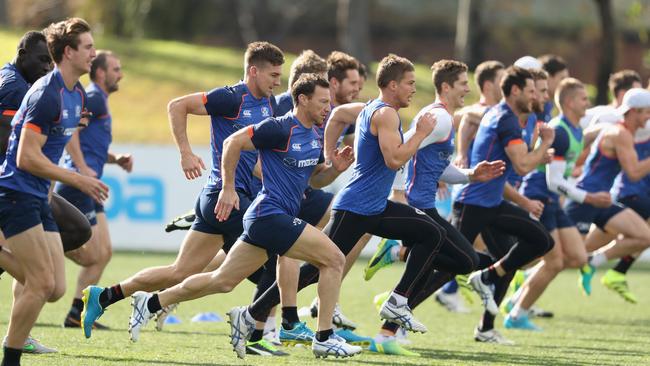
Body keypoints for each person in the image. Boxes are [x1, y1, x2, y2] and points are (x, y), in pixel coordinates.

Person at [126, 74, 360, 359]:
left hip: (270, 219)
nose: (329, 108)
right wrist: (227, 187)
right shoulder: (279, 127)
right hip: (268, 215)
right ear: (303, 99)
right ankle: (323, 337)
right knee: (334, 259)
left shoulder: (314, 134)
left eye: (330, 103)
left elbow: (315, 181)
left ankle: (150, 303)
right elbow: (232, 143)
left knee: (222, 281)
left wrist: (335, 169)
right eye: (323, 102)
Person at [80, 42, 285, 352]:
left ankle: (105, 296)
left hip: (223, 200)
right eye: (273, 75)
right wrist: (186, 153)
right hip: (227, 198)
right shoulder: (231, 97)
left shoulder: (268, 105)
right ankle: (256, 335)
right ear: (253, 71)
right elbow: (177, 105)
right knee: (274, 265)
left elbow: (254, 162)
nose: (277, 82)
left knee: (180, 271)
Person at [363, 59, 505, 356]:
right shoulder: (438, 118)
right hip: (416, 205)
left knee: (452, 263)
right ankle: (394, 295)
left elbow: (435, 166)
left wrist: (469, 175)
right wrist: (400, 195)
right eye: (463, 84)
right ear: (446, 87)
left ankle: (389, 327)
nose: (468, 88)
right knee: (464, 260)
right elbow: (403, 153)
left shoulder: (443, 119)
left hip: (425, 204)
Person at [0, 18, 108, 366]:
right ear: (68, 52)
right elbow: (25, 156)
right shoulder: (45, 93)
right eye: (88, 47)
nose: (94, 53)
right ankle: (11, 358)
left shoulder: (74, 93)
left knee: (55, 289)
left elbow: (61, 140)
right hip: (15, 192)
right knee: (41, 283)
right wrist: (77, 178)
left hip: (39, 197)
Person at [452, 66, 555, 345]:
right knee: (447, 266)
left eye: (542, 90)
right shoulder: (505, 119)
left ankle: (486, 323)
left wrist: (537, 152)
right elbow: (521, 166)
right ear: (517, 90)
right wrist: (545, 146)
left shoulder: (519, 118)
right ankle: (392, 324)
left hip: (492, 203)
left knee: (531, 247)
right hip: (473, 203)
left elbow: (518, 163)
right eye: (536, 90)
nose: (541, 96)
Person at [504, 78, 609, 330]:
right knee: (554, 262)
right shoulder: (560, 131)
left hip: (553, 200)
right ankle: (516, 312)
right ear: (571, 102)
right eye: (584, 98)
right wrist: (589, 197)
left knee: (578, 256)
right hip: (541, 196)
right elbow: (553, 181)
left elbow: (562, 173)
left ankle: (520, 289)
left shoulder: (575, 129)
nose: (588, 103)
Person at [56, 50, 133, 329]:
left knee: (105, 252)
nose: (120, 74)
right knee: (92, 255)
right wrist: (82, 167)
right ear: (100, 73)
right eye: (116, 69)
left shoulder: (100, 100)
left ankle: (77, 313)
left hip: (89, 183)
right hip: (78, 183)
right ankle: (35, 247)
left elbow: (92, 143)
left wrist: (116, 159)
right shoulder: (95, 97)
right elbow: (70, 129)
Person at [565, 88, 650, 303]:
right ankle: (518, 279)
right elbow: (633, 172)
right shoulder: (620, 133)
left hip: (602, 201)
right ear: (633, 111)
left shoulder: (623, 133)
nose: (648, 117)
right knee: (561, 258)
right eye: (646, 112)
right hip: (585, 199)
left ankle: (592, 262)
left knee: (644, 237)